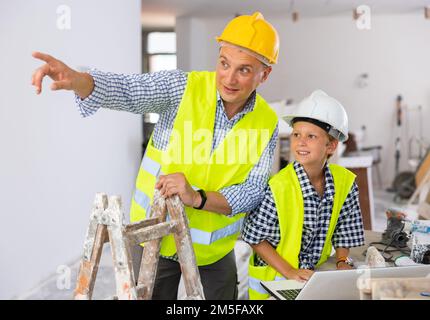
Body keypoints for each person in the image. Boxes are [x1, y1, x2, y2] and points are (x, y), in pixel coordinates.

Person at [31, 12, 280, 300]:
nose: (229, 78)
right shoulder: (183, 88)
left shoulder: (267, 121)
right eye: (224, 63)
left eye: (244, 70)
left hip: (215, 252)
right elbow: (129, 90)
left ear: (265, 74)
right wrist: (80, 81)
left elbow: (252, 191)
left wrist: (198, 197)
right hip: (155, 236)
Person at [242, 90, 365, 300]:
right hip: (275, 279)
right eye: (296, 134)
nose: (300, 142)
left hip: (313, 274)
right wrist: (290, 272)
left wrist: (342, 261)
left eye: (311, 136)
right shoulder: (278, 187)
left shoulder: (345, 183)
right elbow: (255, 239)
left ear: (331, 146)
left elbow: (344, 231)